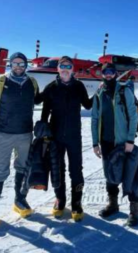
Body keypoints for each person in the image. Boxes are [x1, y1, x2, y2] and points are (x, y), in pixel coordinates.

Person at [0, 52, 40, 229]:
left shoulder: (31, 83)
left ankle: (19, 201)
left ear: (26, 65)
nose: (18, 66)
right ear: (10, 64)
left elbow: (40, 100)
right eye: (15, 63)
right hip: (4, 134)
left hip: (25, 134)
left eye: (22, 63)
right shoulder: (1, 82)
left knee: (23, 168)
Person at [41, 56, 92, 221]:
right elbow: (45, 111)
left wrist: (100, 92)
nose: (65, 69)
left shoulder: (79, 86)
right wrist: (43, 128)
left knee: (76, 170)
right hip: (55, 136)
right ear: (57, 69)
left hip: (74, 136)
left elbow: (88, 105)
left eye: (68, 66)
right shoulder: (51, 88)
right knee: (58, 169)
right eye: (62, 66)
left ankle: (76, 203)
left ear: (72, 69)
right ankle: (60, 199)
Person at [91, 63, 138, 226]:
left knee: (130, 175)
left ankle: (134, 209)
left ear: (116, 74)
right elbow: (95, 118)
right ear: (102, 74)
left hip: (123, 142)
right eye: (106, 72)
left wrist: (130, 140)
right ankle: (113, 204)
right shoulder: (99, 92)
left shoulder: (124, 90)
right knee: (110, 174)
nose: (109, 75)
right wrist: (94, 142)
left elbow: (133, 116)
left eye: (112, 72)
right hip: (105, 142)